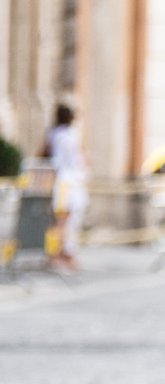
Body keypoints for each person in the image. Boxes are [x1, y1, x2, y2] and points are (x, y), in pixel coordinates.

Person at [45, 104, 88, 272]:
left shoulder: (53, 134)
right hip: (69, 183)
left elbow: (43, 152)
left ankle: (60, 253)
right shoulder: (71, 135)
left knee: (61, 221)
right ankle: (58, 254)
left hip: (61, 181)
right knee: (64, 221)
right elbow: (82, 158)